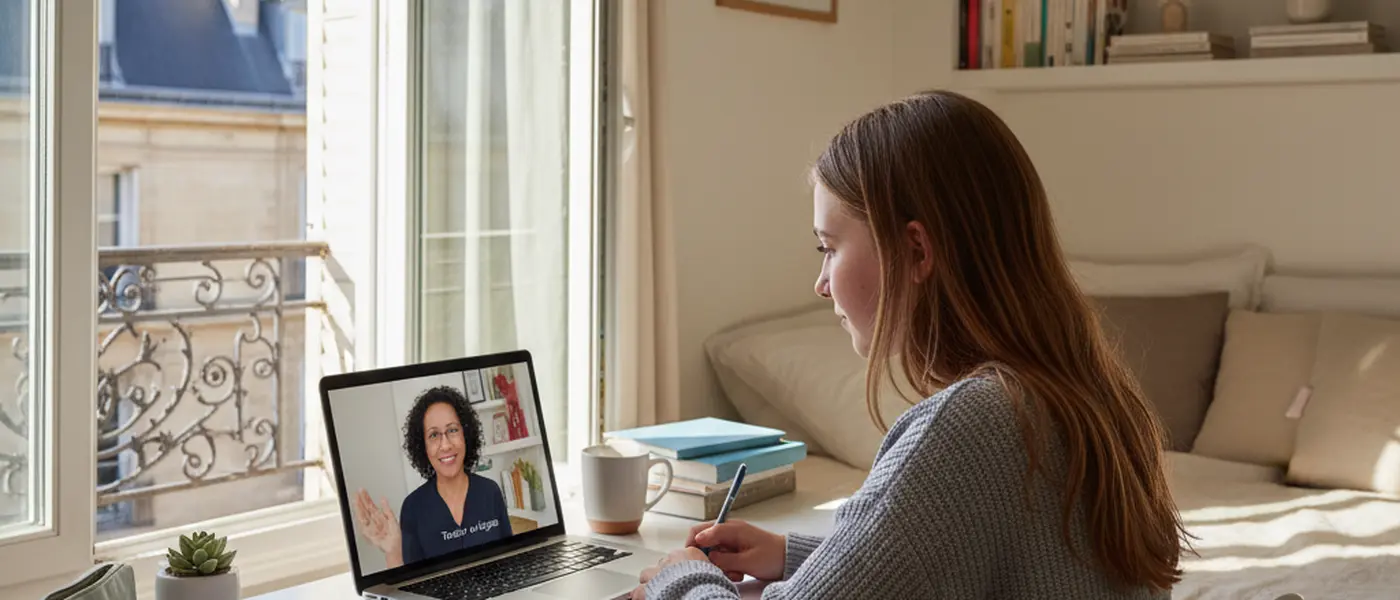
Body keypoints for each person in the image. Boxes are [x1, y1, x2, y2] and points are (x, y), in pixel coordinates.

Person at [633, 91, 1187, 599]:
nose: (821, 284)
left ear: (916, 251)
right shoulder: (1094, 398)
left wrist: (681, 578)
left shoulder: (974, 422)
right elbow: (979, 559)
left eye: (829, 248)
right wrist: (798, 556)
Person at [354, 385, 513, 569]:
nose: (445, 445)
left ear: (466, 434)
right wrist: (394, 552)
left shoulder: (490, 492)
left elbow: (510, 560)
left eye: (452, 430)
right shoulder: (413, 508)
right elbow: (412, 583)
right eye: (434, 435)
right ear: (423, 447)